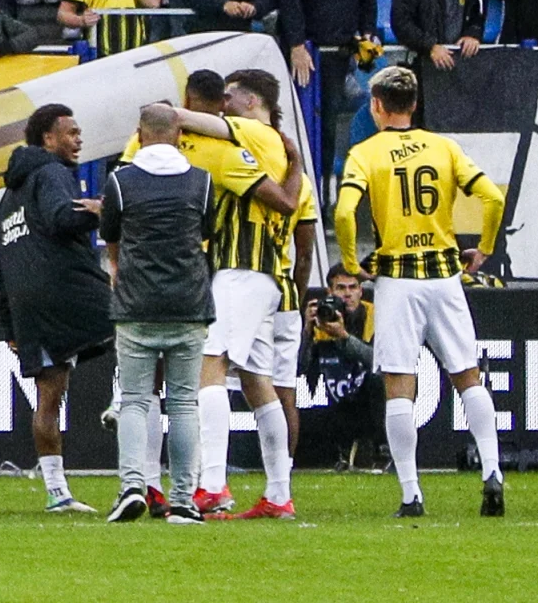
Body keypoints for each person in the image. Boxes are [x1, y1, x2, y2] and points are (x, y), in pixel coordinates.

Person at [331, 64, 509, 516]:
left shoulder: (365, 153)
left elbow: (345, 214)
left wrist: (351, 262)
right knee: (468, 376)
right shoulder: (444, 147)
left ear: (376, 106)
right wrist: (484, 248)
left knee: (398, 387)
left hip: (397, 279)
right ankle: (492, 469)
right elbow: (492, 197)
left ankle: (411, 494)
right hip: (445, 275)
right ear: (413, 105)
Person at [177, 65, 306, 518]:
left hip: (241, 267)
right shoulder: (279, 148)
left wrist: (164, 114)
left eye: (230, 96)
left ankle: (212, 484)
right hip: (270, 274)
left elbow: (188, 119)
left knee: (209, 366)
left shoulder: (248, 131)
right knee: (257, 382)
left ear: (252, 102)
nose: (223, 102)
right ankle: (278, 494)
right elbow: (292, 201)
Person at [98, 96, 215, 520]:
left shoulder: (120, 182)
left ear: (139, 135)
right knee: (184, 403)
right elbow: (206, 232)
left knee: (134, 400)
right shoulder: (201, 181)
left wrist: (120, 268)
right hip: (188, 301)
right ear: (180, 134)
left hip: (136, 303)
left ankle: (132, 485)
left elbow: (111, 236)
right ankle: (183, 499)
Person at [0, 103, 107, 514]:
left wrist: (10, 325)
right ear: (48, 139)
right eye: (71, 133)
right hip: (70, 291)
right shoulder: (53, 173)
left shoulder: (8, 199)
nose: (78, 141)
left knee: (48, 396)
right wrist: (101, 212)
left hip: (29, 307)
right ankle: (128, 399)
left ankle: (57, 492)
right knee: (136, 329)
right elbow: (62, 218)